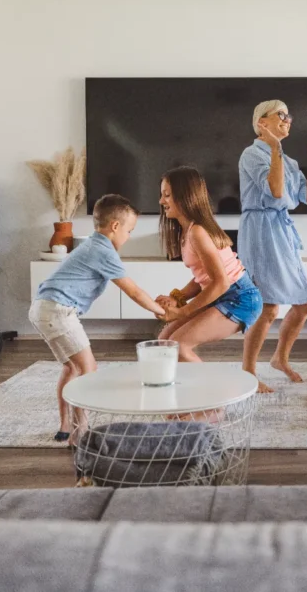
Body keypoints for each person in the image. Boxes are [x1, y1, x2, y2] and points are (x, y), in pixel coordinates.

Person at [29, 194, 165, 443]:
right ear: (115, 226)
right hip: (58, 310)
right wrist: (162, 311)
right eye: (129, 230)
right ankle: (81, 431)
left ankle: (65, 425)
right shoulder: (104, 251)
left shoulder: (91, 244)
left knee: (72, 367)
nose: (129, 236)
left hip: (43, 308)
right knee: (87, 368)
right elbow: (133, 291)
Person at [238, 100, 307, 393]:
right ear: (261, 122)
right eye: (281, 115)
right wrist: (275, 149)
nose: (288, 119)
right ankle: (248, 371)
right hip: (260, 231)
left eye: (289, 115)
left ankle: (280, 358)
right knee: (267, 307)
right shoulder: (251, 155)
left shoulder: (288, 162)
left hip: (282, 231)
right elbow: (275, 191)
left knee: (304, 303)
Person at [156, 166, 263, 362]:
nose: (161, 201)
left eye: (167, 195)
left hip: (240, 298)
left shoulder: (198, 232)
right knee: (165, 342)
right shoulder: (187, 231)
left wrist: (183, 310)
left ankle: (215, 390)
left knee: (179, 347)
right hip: (221, 293)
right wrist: (177, 297)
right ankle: (186, 387)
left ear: (185, 196)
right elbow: (203, 278)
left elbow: (221, 282)